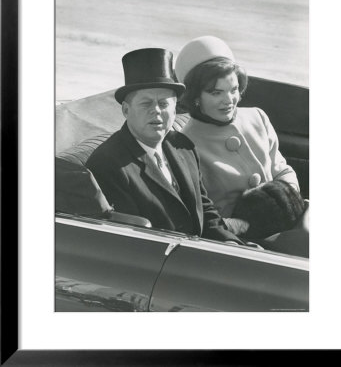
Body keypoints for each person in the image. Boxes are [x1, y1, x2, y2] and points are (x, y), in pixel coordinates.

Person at [86, 47, 243, 245]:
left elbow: (206, 211)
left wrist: (232, 244)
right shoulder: (108, 164)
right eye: (146, 104)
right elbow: (131, 243)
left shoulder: (183, 146)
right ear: (126, 110)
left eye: (164, 103)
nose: (157, 112)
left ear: (175, 108)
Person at [174, 36, 308, 256]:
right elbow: (203, 217)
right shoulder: (184, 145)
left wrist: (286, 203)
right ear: (195, 96)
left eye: (233, 89)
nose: (229, 100)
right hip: (245, 242)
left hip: (291, 219)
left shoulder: (257, 117)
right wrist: (244, 224)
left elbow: (282, 170)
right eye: (216, 92)